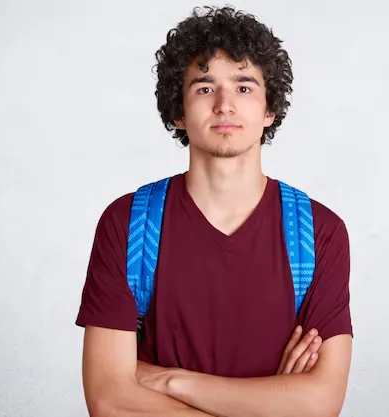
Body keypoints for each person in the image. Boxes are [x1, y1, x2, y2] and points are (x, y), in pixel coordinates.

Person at [75, 5, 353, 417]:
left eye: (244, 88)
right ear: (179, 112)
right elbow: (109, 402)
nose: (225, 105)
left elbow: (320, 404)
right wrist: (269, 403)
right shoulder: (128, 224)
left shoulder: (318, 232)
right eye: (204, 88)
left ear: (270, 110)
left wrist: (170, 380)